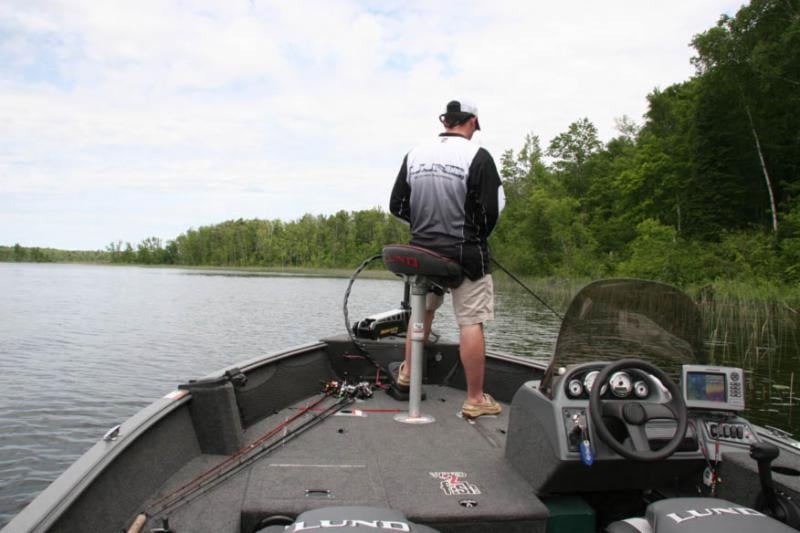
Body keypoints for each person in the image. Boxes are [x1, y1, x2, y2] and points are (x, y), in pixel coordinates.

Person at [389, 99, 503, 418]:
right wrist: (471, 235)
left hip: (423, 252)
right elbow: (490, 211)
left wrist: (425, 228)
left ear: (445, 121)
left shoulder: (414, 154)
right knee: (470, 321)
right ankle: (476, 399)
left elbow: (397, 205)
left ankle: (408, 374)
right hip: (465, 252)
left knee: (421, 312)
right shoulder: (478, 156)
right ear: (472, 123)